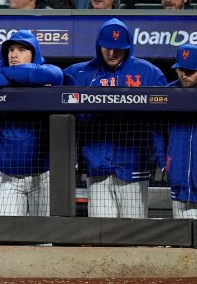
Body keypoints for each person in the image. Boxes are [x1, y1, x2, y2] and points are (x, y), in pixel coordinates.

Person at [64, 18, 167, 218]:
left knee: (134, 231)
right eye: (107, 47)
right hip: (97, 164)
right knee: (101, 232)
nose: (112, 53)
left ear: (128, 46)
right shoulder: (79, 73)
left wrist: (161, 159)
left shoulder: (149, 73)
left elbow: (159, 124)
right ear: (98, 45)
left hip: (134, 165)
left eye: (118, 48)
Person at [0, 30, 63, 216]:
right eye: (11, 49)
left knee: (44, 240)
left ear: (34, 53)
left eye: (21, 49)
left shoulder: (45, 69)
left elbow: (55, 75)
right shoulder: (0, 66)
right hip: (10, 177)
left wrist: (6, 76)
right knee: (2, 234)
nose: (14, 54)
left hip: (43, 176)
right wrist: (15, 75)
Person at [160, 44, 197, 219]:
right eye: (181, 69)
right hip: (179, 178)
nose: (184, 75)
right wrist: (164, 162)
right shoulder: (168, 94)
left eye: (190, 70)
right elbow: (156, 132)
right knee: (181, 240)